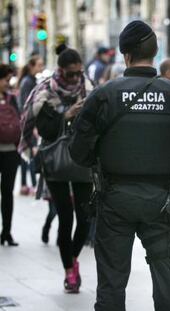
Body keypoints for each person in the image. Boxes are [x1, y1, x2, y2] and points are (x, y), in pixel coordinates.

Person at [69, 20, 170, 311]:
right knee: (165, 273)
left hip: (115, 197)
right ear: (155, 53)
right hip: (162, 199)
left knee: (112, 280)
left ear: (125, 55)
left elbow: (78, 153)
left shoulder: (104, 95)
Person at [20, 48, 94, 293]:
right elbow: (44, 130)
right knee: (65, 217)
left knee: (84, 218)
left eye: (79, 73)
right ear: (61, 71)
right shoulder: (45, 91)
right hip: (54, 160)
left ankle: (73, 258)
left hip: (82, 159)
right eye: (71, 74)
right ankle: (69, 272)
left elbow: (97, 124)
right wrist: (66, 115)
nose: (76, 79)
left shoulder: (89, 88)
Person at [0, 64, 21, 247]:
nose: (8, 84)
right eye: (6, 80)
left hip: (10, 153)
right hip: (8, 153)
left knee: (7, 193)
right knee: (6, 193)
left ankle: (6, 231)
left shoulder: (12, 99)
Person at [17, 55, 44, 196]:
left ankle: (24, 184)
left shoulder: (28, 80)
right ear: (32, 66)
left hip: (26, 122)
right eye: (39, 65)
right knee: (31, 152)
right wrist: (33, 126)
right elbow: (29, 105)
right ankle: (32, 184)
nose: (41, 67)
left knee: (26, 154)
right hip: (28, 122)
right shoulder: (28, 82)